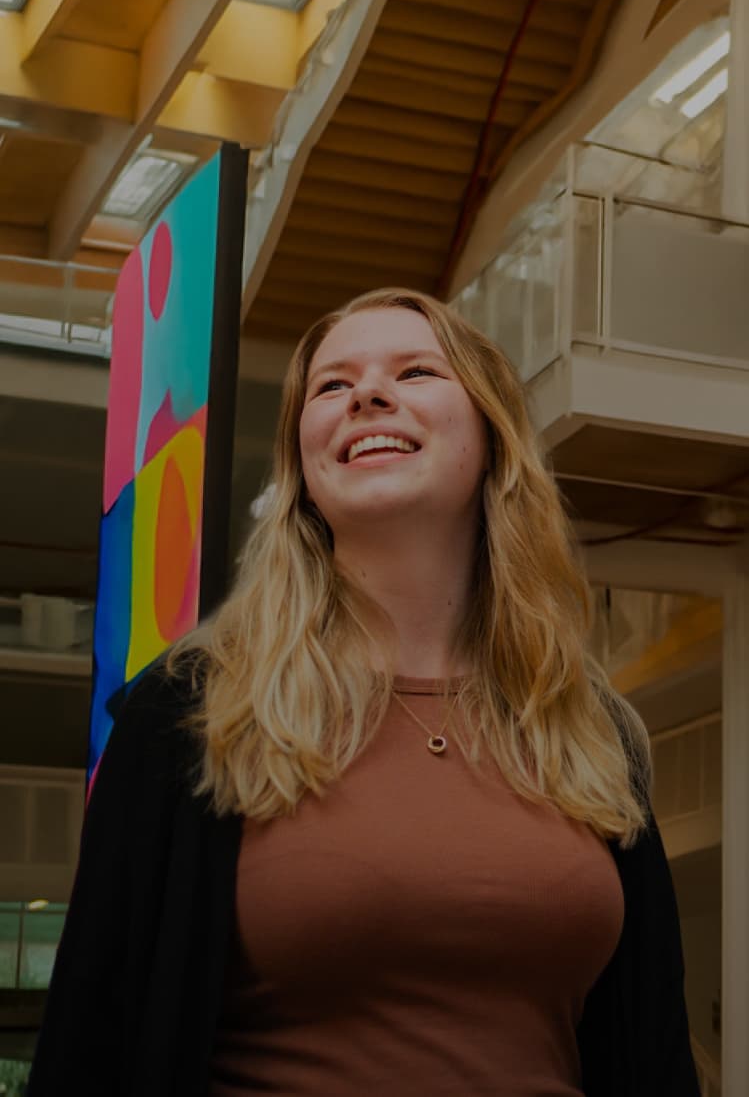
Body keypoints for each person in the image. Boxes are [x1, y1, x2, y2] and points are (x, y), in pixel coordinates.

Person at [28, 288, 699, 1097]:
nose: (368, 395)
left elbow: (653, 1048)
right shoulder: (191, 710)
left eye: (416, 371)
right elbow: (89, 1041)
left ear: (491, 440)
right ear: (305, 470)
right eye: (332, 386)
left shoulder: (590, 729)